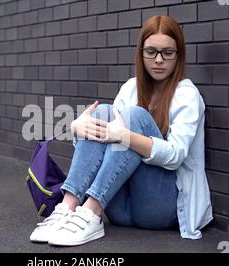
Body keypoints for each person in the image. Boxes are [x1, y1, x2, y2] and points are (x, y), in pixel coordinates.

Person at [29, 15, 213, 246]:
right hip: (120, 208)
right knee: (103, 111)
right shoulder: (130, 88)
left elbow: (176, 156)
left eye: (167, 52)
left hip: (160, 207)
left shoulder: (186, 95)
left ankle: (91, 212)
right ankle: (67, 207)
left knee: (134, 117)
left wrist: (126, 137)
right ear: (141, 53)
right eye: (151, 52)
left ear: (179, 55)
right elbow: (102, 145)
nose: (158, 60)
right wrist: (76, 130)